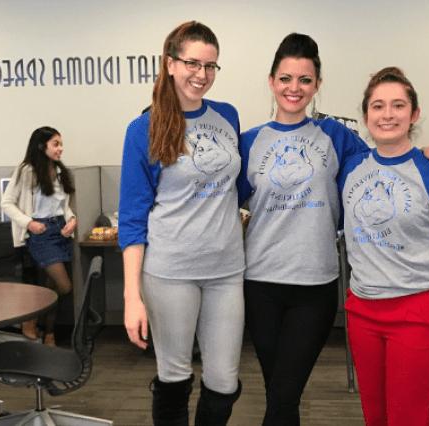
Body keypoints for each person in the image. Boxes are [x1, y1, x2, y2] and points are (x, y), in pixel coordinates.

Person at [237, 34, 429, 426]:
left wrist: (423, 152)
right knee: (278, 391)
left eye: (304, 79)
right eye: (285, 78)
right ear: (271, 82)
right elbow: (221, 199)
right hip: (260, 284)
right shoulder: (250, 142)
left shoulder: (336, 137)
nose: (294, 88)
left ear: (317, 84)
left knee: (284, 392)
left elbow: (386, 152)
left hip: (315, 286)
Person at [118, 21, 244, 426]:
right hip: (171, 271)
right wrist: (131, 297)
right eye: (192, 63)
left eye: (210, 66)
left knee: (224, 381)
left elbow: (243, 182)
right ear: (170, 64)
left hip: (227, 269)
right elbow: (133, 220)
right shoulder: (144, 128)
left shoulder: (228, 116)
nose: (201, 75)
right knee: (174, 376)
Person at [338, 67, 429, 426]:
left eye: (398, 105)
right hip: (363, 310)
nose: (388, 114)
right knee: (376, 416)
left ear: (414, 114)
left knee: (407, 417)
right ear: (366, 115)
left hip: (418, 311)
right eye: (378, 106)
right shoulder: (350, 166)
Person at [1, 126, 77, 347]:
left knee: (48, 287)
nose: (60, 149)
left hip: (60, 231)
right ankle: (31, 319)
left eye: (61, 144)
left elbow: (64, 205)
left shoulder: (61, 171)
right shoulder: (26, 171)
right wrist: (29, 223)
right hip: (40, 234)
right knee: (64, 287)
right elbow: (6, 203)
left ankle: (49, 333)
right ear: (41, 146)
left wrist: (72, 220)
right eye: (56, 144)